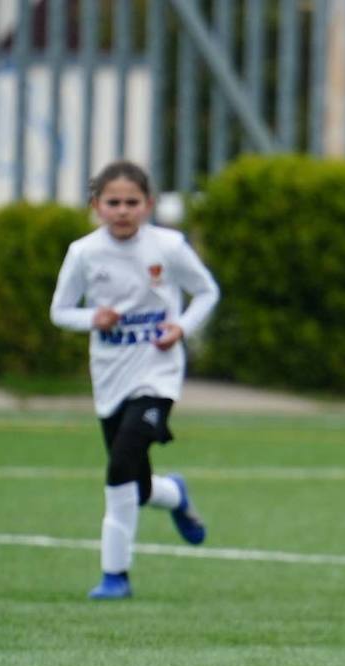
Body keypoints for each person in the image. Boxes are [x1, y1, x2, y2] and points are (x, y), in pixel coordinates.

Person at [49, 160, 220, 600]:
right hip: (110, 378)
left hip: (157, 375)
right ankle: (173, 494)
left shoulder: (168, 245)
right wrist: (93, 317)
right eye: (113, 202)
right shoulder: (84, 253)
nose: (122, 210)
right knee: (137, 485)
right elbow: (60, 310)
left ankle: (114, 576)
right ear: (96, 206)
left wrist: (181, 326)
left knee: (120, 464)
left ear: (148, 205)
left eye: (132, 202)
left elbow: (206, 291)